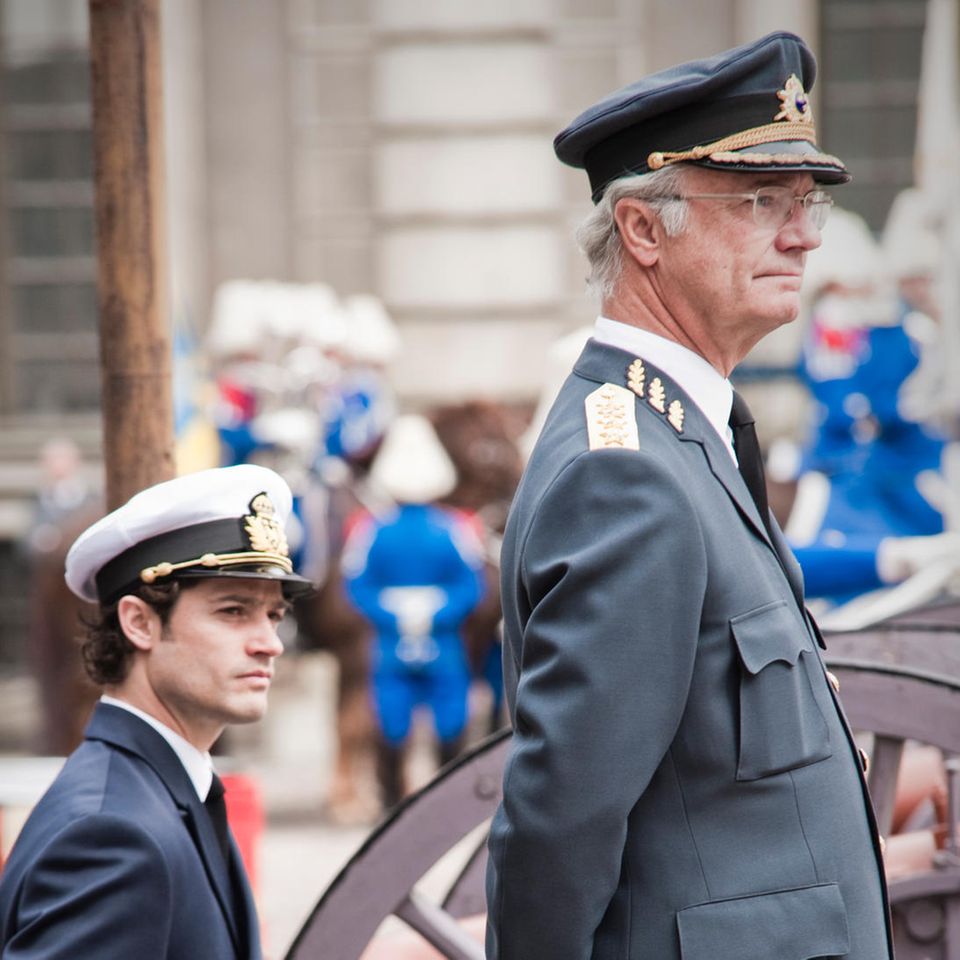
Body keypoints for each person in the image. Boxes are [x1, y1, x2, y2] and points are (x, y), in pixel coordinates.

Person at [485, 32, 892, 960]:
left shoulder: (686, 437)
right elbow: (560, 824)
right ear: (642, 230)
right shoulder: (624, 472)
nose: (801, 233)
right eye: (759, 201)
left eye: (805, 203)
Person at [0, 464, 313, 959]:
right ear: (140, 623)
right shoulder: (112, 834)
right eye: (233, 611)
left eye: (274, 615)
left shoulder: (162, 794)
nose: (269, 643)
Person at [342, 415, 485, 808]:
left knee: (399, 724)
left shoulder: (373, 529)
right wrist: (436, 611)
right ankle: (452, 805)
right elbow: (472, 584)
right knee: (436, 724)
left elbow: (357, 585)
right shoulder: (453, 527)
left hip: (405, 642)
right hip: (430, 641)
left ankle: (392, 807)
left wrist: (395, 613)